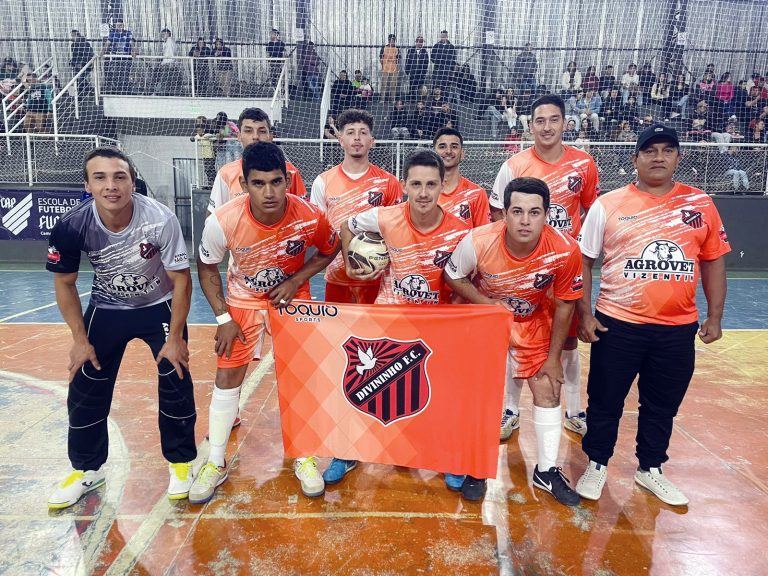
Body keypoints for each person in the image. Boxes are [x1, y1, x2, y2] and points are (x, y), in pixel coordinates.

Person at [574, 124, 730, 506]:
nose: (658, 156)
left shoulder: (700, 204)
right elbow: (583, 262)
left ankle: (650, 468)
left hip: (677, 329)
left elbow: (712, 263)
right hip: (618, 323)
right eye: (650, 150)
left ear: (678, 157)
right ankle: (597, 463)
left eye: (667, 150)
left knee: (662, 404)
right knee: (605, 399)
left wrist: (715, 316)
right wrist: (584, 314)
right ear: (635, 159)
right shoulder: (608, 204)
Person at [46, 147, 197, 509]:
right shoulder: (71, 225)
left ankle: (181, 463)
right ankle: (87, 470)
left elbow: (182, 280)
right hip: (106, 308)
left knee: (175, 377)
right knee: (85, 382)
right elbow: (65, 283)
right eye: (100, 178)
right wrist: (79, 341)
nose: (111, 186)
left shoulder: (160, 219)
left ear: (132, 183)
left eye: (119, 177)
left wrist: (175, 338)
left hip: (157, 306)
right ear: (87, 185)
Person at [192, 142, 340, 503]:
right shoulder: (223, 219)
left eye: (276, 182)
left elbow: (329, 248)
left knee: (302, 377)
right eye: (258, 184)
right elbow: (207, 266)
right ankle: (214, 461)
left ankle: (304, 457)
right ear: (243, 183)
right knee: (227, 377)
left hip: (291, 301)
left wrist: (295, 279)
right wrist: (223, 316)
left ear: (288, 180)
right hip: (242, 302)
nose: (269, 192)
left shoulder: (309, 215)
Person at [336, 150, 483, 497]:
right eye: (415, 184)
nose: (423, 192)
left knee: (444, 394)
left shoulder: (461, 232)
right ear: (403, 185)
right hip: (389, 315)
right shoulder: (385, 217)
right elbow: (347, 225)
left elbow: (469, 277)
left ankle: (448, 458)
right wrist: (350, 260)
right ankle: (345, 452)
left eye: (431, 184)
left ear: (442, 186)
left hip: (436, 322)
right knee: (360, 385)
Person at [445, 177, 584, 506]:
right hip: (486, 321)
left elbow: (566, 305)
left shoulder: (565, 249)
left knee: (548, 388)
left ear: (546, 214)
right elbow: (452, 275)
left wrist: (553, 359)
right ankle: (475, 466)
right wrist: (487, 303)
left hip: (534, 321)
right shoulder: (478, 241)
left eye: (534, 212)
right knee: (478, 397)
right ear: (503, 213)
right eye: (517, 211)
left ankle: (547, 470)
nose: (525, 220)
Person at [490, 94, 599, 439]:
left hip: (564, 270)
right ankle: (510, 410)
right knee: (514, 337)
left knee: (566, 344)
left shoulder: (584, 163)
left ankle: (574, 409)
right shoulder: (514, 165)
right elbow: (498, 215)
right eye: (540, 120)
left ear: (565, 123)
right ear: (531, 125)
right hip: (522, 270)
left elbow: (591, 214)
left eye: (554, 119)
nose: (547, 126)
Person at [310, 109, 402, 307]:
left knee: (376, 338)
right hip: (337, 278)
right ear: (341, 139)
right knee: (336, 337)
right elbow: (320, 234)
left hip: (378, 280)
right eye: (350, 132)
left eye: (363, 132)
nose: (357, 137)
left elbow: (396, 232)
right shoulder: (322, 182)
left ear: (372, 140)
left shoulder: (389, 182)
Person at [208, 107, 307, 212]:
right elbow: (213, 217)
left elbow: (303, 213)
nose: (255, 137)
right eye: (248, 131)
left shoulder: (290, 171)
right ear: (239, 136)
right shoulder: (226, 174)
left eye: (262, 131)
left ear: (270, 136)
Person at [433, 127, 490, 228]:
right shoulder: (424, 192)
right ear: (434, 153)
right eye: (442, 147)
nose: (448, 151)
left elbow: (482, 237)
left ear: (462, 153)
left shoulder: (477, 194)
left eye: (454, 147)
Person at [101, 18, 135, 94]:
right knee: (116, 74)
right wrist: (102, 53)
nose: (119, 27)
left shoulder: (128, 33)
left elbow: (132, 43)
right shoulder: (112, 34)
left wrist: (135, 52)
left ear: (123, 25)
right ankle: (118, 89)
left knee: (125, 74)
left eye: (121, 25)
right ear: (115, 26)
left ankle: (126, 90)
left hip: (126, 57)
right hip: (116, 58)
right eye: (118, 25)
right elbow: (107, 43)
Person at [70, 30, 94, 95]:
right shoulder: (73, 45)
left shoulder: (85, 44)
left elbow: (88, 55)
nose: (72, 37)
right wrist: (73, 62)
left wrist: (82, 63)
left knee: (81, 77)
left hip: (86, 64)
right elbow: (75, 56)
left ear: (77, 35)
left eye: (73, 36)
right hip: (78, 65)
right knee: (79, 78)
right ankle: (89, 90)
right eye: (72, 36)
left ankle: (81, 93)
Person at [379, 34, 400, 103]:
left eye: (393, 40)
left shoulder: (396, 48)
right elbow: (381, 58)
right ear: (388, 40)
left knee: (393, 85)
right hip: (385, 69)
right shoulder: (384, 48)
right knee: (384, 85)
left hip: (393, 69)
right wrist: (383, 65)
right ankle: (382, 99)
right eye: (391, 40)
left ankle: (393, 100)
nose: (392, 41)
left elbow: (398, 59)